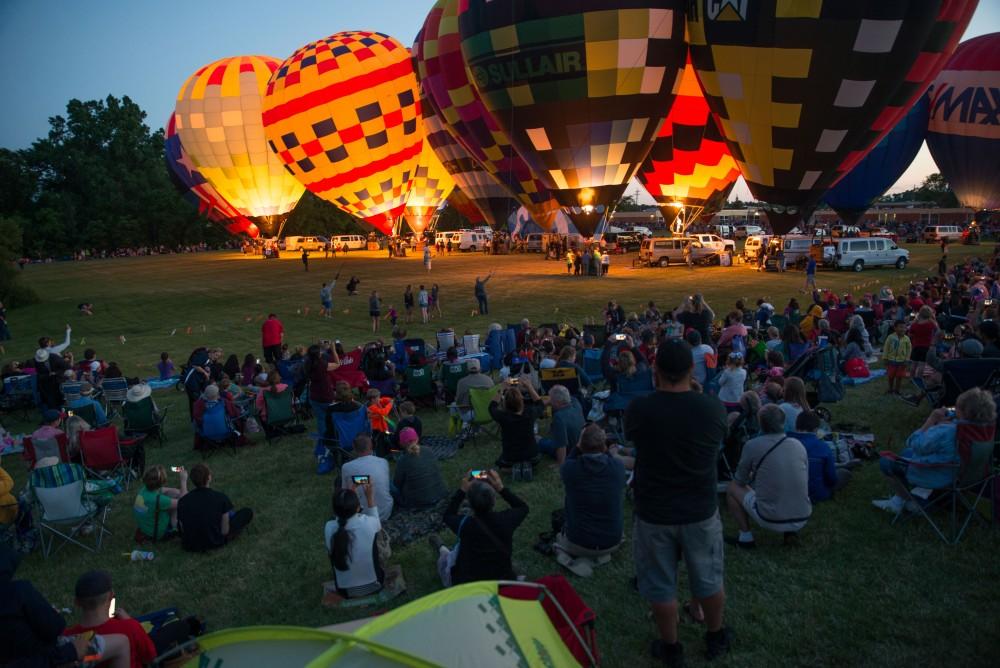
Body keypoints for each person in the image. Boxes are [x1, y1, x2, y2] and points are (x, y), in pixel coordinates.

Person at [625, 339, 732, 664]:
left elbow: (633, 438)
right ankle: (714, 635)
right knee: (709, 578)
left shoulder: (640, 410)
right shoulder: (712, 409)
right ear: (691, 369)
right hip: (699, 507)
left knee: (660, 585)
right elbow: (713, 434)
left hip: (655, 510)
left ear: (655, 370)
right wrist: (697, 395)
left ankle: (671, 647)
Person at [0, 546, 132, 668]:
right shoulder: (19, 591)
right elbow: (54, 628)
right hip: (51, 658)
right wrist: (70, 652)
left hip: (39, 658)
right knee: (121, 643)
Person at [873, 388, 996, 514]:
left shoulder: (947, 431)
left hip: (941, 476)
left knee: (886, 461)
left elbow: (914, 442)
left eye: (956, 407)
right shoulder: (986, 430)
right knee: (907, 453)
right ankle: (913, 498)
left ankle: (908, 501)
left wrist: (932, 420)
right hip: (967, 477)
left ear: (964, 411)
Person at [726, 404, 811, 548]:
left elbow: (740, 480)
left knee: (732, 487)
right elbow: (804, 478)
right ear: (783, 422)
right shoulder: (798, 445)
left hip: (770, 517)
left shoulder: (752, 445)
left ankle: (745, 538)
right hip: (802, 515)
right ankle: (791, 533)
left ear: (761, 423)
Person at [431, 470, 528, 587]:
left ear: (470, 504)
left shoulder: (464, 524)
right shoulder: (506, 520)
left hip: (469, 584)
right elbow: (523, 507)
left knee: (446, 559)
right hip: (500, 580)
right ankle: (442, 549)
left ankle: (442, 548)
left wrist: (462, 490)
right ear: (494, 500)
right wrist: (501, 488)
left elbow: (448, 516)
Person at [556, 424, 626, 575]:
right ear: (604, 445)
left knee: (558, 538)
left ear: (580, 445)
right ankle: (598, 557)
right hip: (613, 541)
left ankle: (576, 557)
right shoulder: (617, 468)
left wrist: (578, 447)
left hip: (579, 542)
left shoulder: (570, 470)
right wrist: (605, 449)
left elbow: (567, 462)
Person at [65, 570, 157, 668]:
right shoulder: (130, 627)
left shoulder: (66, 638)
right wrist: (130, 622)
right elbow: (149, 657)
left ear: (76, 602)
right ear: (111, 595)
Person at [325, 485, 384, 599]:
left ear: (334, 510)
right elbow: (378, 524)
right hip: (375, 585)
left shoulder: (329, 528)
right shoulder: (368, 523)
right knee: (378, 538)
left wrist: (347, 502)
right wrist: (369, 498)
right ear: (358, 508)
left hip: (344, 591)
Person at [177, 463, 253, 551]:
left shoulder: (183, 501)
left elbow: (182, 528)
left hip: (190, 544)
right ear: (209, 478)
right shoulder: (220, 498)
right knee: (247, 512)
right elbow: (224, 531)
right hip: (215, 541)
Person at [789, 411, 850, 503]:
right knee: (844, 473)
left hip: (787, 492)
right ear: (816, 429)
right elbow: (831, 478)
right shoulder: (822, 447)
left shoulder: (784, 442)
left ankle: (841, 465)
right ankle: (842, 466)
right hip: (815, 494)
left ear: (796, 426)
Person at [489, 378, 545, 472]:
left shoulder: (503, 417)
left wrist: (501, 389)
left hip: (510, 459)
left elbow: (492, 406)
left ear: (505, 403)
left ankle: (512, 468)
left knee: (501, 464)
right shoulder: (530, 413)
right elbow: (540, 404)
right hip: (532, 458)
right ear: (522, 401)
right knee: (538, 439)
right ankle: (526, 466)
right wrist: (529, 387)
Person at [392, 427, 447, 509]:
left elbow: (397, 484)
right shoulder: (429, 450)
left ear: (401, 443)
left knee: (390, 486)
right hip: (439, 494)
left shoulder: (403, 460)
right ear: (417, 439)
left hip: (418, 503)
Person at [341, 435, 393, 521]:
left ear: (354, 448)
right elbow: (369, 479)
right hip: (385, 512)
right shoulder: (383, 462)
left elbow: (345, 492)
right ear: (371, 446)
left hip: (361, 517)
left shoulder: (346, 467)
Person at [134, 465, 188, 541]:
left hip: (146, 527)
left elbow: (164, 490)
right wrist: (183, 481)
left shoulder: (145, 489)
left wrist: (178, 492)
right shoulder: (159, 500)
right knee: (176, 507)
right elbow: (184, 502)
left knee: (174, 494)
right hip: (156, 533)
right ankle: (175, 530)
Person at [538, 385, 585, 465]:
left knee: (538, 440)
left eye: (551, 399)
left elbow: (562, 445)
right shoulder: (576, 403)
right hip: (579, 447)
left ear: (557, 402)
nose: (550, 401)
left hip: (569, 452)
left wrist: (560, 464)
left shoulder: (559, 417)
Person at [306, 344, 341, 439]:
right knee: (332, 417)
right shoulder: (322, 364)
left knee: (321, 419)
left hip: (314, 395)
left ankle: (324, 437)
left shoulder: (308, 363)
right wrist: (333, 350)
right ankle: (334, 435)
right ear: (318, 354)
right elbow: (338, 364)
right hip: (326, 395)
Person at [454, 358, 494, 427]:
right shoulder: (489, 380)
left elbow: (458, 401)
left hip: (471, 415)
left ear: (467, 369)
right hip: (489, 413)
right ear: (480, 368)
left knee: (453, 406)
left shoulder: (462, 382)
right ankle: (474, 430)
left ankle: (461, 432)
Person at [883, 320, 912, 395]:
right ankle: (890, 389)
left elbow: (909, 350)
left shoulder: (906, 339)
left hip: (902, 361)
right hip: (891, 360)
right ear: (895, 328)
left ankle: (897, 390)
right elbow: (886, 347)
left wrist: (907, 359)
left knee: (899, 377)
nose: (903, 329)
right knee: (891, 376)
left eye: (904, 327)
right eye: (901, 327)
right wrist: (885, 358)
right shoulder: (890, 337)